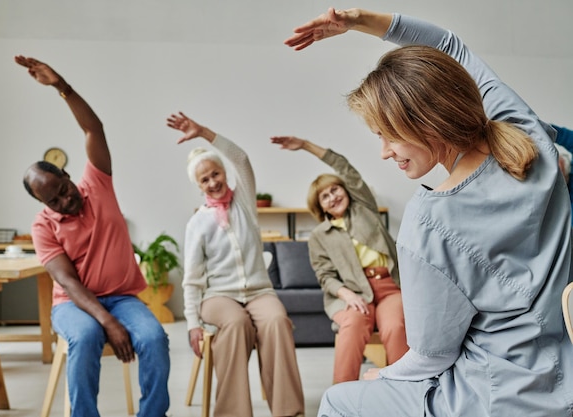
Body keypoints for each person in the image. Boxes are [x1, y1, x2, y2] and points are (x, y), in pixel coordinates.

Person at [284, 7, 573, 417]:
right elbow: (450, 46)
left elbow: (431, 357)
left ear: (425, 123)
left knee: (339, 400)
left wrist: (378, 377)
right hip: (564, 374)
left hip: (499, 396)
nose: (384, 152)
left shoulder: (429, 221)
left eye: (387, 136)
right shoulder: (527, 134)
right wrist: (360, 20)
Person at [17, 56, 170, 417]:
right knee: (85, 338)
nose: (65, 201)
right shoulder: (43, 226)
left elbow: (93, 130)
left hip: (123, 297)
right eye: (53, 200)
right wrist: (107, 322)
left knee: (154, 338)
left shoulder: (97, 183)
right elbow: (69, 283)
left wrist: (61, 86)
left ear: (69, 175)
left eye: (64, 189)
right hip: (74, 305)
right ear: (42, 203)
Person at [168, 111, 305, 417]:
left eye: (216, 173)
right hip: (218, 297)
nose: (213, 181)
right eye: (205, 179)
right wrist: (192, 324)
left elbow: (241, 158)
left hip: (259, 292)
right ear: (199, 185)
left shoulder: (243, 202)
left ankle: (289, 412)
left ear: (224, 173)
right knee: (236, 323)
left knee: (277, 322)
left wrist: (204, 132)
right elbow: (192, 279)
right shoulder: (197, 223)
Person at [270, 135, 408, 383]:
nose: (332, 197)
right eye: (325, 196)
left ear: (345, 189)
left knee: (395, 327)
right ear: (320, 206)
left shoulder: (365, 207)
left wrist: (306, 145)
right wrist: (347, 295)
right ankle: (341, 399)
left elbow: (344, 167)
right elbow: (325, 276)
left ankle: (406, 392)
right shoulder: (319, 236)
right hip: (353, 292)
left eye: (335, 189)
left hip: (389, 287)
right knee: (353, 326)